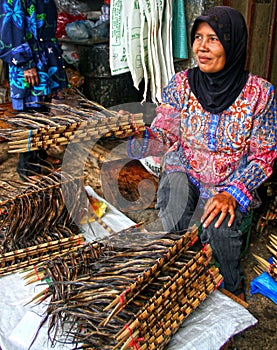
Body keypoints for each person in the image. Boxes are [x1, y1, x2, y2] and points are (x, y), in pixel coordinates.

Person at [128, 6, 277, 299]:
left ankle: (230, 286)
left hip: (231, 181)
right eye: (198, 37)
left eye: (213, 39)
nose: (202, 47)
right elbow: (165, 132)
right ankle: (176, 270)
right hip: (186, 170)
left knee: (219, 230)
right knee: (172, 213)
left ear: (232, 43)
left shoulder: (260, 93)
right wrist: (140, 138)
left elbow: (264, 155)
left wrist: (233, 193)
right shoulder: (182, 84)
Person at [0, 0, 69, 180]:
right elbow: (10, 28)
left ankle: (39, 157)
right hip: (28, 60)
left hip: (44, 54)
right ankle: (27, 168)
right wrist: (25, 64)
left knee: (42, 109)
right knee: (29, 112)